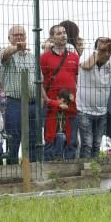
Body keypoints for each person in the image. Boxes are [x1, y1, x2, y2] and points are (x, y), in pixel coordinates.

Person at [76, 36, 111, 158]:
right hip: (84, 109)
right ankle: (86, 167)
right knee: (87, 143)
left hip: (102, 110)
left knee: (97, 144)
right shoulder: (87, 56)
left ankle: (95, 169)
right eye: (104, 51)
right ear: (96, 50)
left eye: (108, 51)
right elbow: (87, 66)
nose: (107, 54)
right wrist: (99, 50)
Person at [0, 25, 39, 164]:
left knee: (34, 137)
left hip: (33, 103)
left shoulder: (32, 57)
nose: (19, 37)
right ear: (9, 38)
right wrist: (16, 47)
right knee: (13, 138)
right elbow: (5, 55)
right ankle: (13, 169)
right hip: (15, 102)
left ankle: (33, 167)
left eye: (22, 34)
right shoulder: (6, 54)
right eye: (15, 35)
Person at [40, 25, 79, 160]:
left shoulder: (75, 57)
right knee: (50, 138)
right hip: (53, 105)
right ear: (51, 37)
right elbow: (40, 83)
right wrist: (47, 100)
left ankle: (70, 166)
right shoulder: (44, 58)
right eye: (58, 34)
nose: (63, 35)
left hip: (71, 104)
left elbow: (77, 79)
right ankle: (49, 169)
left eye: (64, 32)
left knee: (72, 139)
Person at [44, 88, 74, 160]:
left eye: (66, 102)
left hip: (62, 136)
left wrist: (72, 101)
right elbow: (48, 102)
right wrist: (58, 104)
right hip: (50, 135)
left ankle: (58, 158)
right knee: (48, 151)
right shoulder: (53, 107)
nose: (64, 104)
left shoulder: (67, 109)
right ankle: (48, 163)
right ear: (58, 98)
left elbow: (74, 111)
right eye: (63, 101)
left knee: (62, 138)